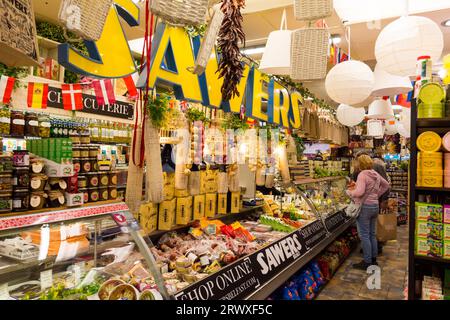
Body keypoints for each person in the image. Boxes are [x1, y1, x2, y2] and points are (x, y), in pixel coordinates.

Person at [347, 155, 390, 270]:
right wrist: (377, 195)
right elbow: (386, 185)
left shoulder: (362, 174)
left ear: (360, 164)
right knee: (371, 234)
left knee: (364, 235)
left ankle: (367, 262)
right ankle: (373, 259)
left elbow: (360, 192)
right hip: (374, 206)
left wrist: (350, 193)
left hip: (365, 207)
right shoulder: (375, 174)